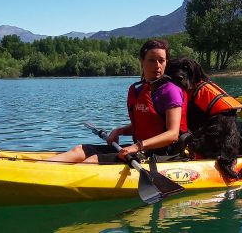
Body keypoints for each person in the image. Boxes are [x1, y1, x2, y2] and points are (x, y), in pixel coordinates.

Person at [46, 39, 188, 163]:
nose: (157, 65)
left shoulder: (171, 91)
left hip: (164, 154)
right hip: (142, 149)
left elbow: (172, 134)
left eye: (161, 60)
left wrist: (137, 146)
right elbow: (146, 124)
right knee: (79, 150)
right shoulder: (138, 90)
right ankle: (35, 170)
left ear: (166, 63)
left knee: (93, 160)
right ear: (141, 61)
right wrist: (119, 131)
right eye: (151, 60)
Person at [165, 57, 242, 178]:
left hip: (214, 145)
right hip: (228, 145)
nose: (180, 74)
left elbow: (189, 126)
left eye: (186, 71)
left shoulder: (197, 94)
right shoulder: (201, 89)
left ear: (195, 75)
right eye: (175, 69)